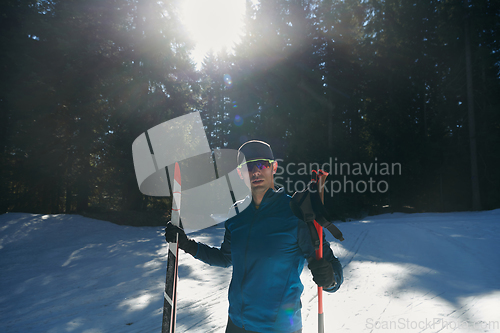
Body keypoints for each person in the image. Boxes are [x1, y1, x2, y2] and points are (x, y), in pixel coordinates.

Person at [165, 140, 343, 333]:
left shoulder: (296, 213)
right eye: (248, 167)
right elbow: (226, 258)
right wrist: (187, 245)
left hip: (278, 327)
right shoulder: (236, 214)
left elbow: (331, 267)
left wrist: (330, 279)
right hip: (236, 324)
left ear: (273, 167)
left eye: (262, 164)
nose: (256, 171)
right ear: (240, 174)